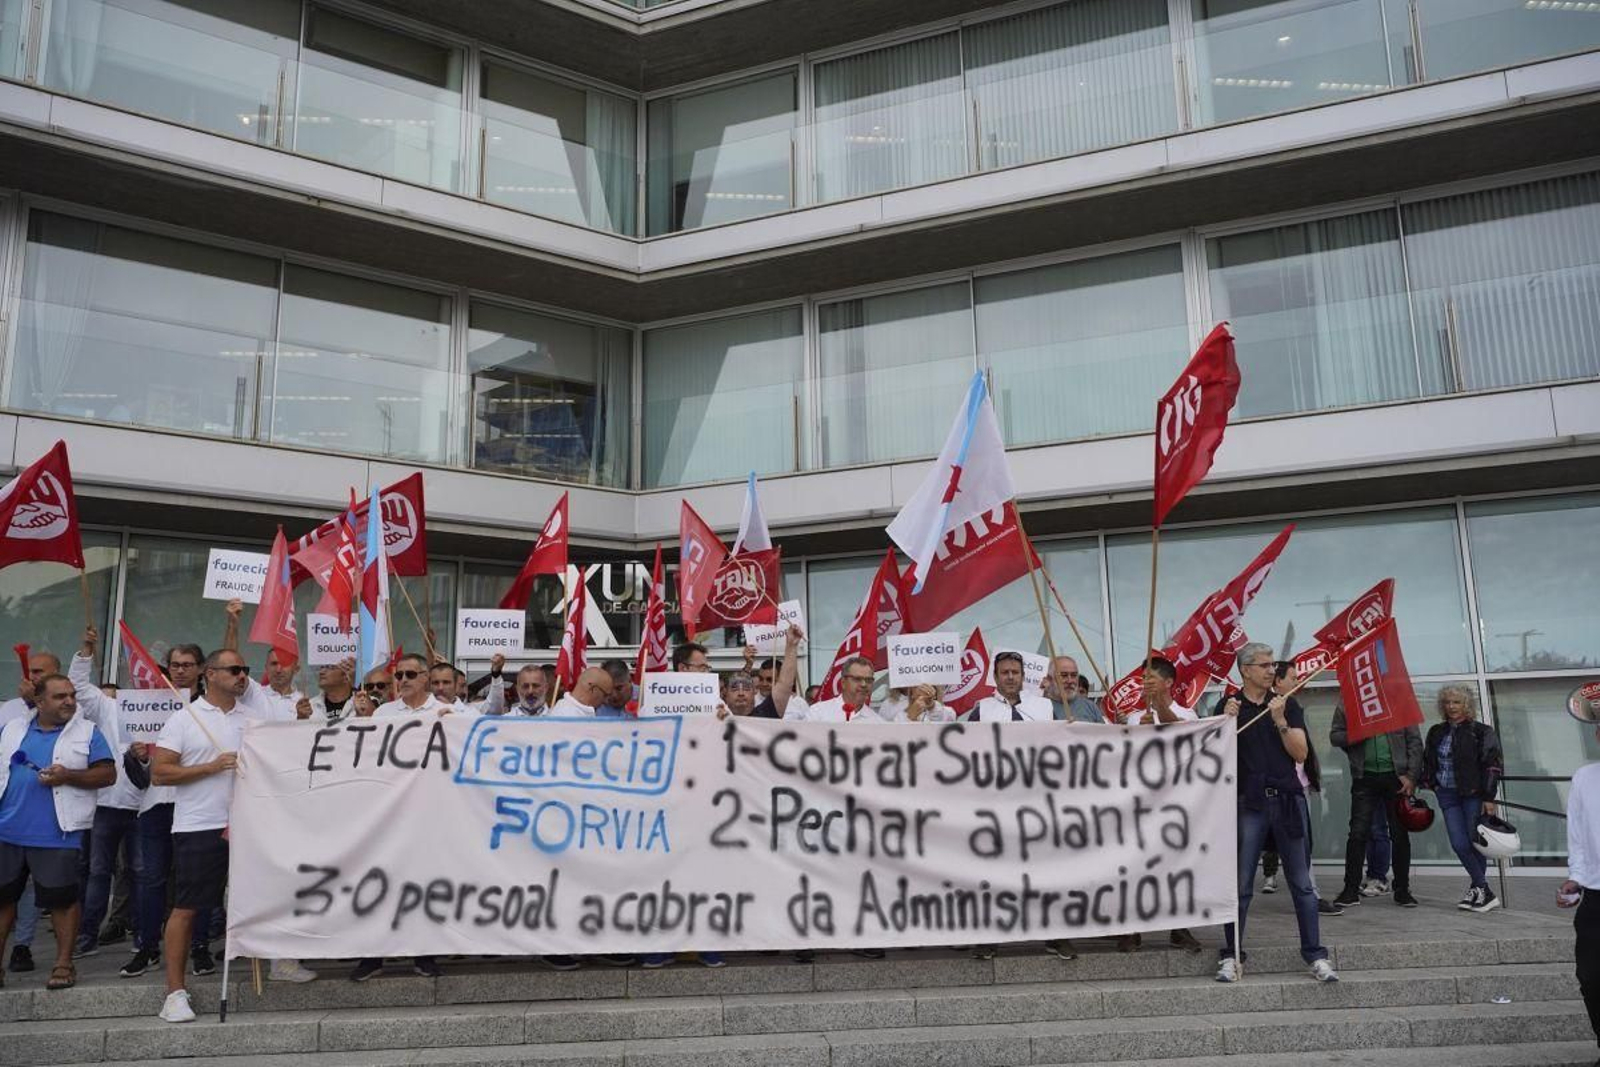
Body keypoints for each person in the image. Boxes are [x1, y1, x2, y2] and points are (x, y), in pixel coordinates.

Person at [1216, 643, 1337, 984]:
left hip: (1287, 800)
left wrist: (1280, 720)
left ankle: (1315, 954)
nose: (1272, 670)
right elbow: (1214, 755)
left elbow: (1300, 754)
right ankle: (1232, 955)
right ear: (1246, 670)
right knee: (1240, 885)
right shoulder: (1230, 705)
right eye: (1264, 665)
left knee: (1301, 883)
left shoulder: (1288, 703)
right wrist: (1224, 721)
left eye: (1272, 664)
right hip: (1247, 803)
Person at [150, 650, 252, 1022]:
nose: (242, 676)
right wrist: (211, 767)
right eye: (235, 670)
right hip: (199, 825)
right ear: (210, 674)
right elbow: (160, 773)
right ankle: (174, 993)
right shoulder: (184, 718)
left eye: (245, 670)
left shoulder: (251, 718)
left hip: (249, 823)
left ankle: (280, 962)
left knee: (257, 896)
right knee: (188, 906)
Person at [0, 674, 116, 990]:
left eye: (71, 695)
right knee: (2, 900)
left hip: (57, 833)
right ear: (39, 702)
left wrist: (68, 776)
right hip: (7, 831)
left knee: (62, 902)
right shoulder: (11, 728)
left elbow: (108, 775)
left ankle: (64, 964)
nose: (68, 701)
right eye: (59, 696)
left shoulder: (88, 732)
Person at [354, 653, 446, 981]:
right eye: (399, 675)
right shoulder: (384, 713)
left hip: (431, 815)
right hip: (389, 813)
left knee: (423, 885)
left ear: (425, 677)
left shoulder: (448, 712)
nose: (402, 680)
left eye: (409, 674)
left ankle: (425, 953)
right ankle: (374, 954)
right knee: (382, 881)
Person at [122, 641, 209, 980]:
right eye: (175, 664)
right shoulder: (148, 706)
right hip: (155, 805)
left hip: (195, 805)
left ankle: (199, 946)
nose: (180, 670)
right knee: (150, 878)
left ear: (201, 669)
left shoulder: (209, 708)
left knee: (197, 880)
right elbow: (138, 778)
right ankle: (147, 948)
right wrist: (141, 756)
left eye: (188, 664)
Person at [1113, 656, 1203, 955]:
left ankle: (1179, 927)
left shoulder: (1186, 712)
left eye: (1152, 679)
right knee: (1135, 865)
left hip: (1176, 803)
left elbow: (1183, 734)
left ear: (1168, 683)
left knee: (1175, 866)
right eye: (1144, 679)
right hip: (1141, 803)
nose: (1146, 684)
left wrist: (1160, 711)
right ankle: (1132, 927)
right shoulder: (1136, 718)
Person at [66, 627, 147, 960]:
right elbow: (79, 686)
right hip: (107, 804)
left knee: (142, 872)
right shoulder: (108, 707)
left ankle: (143, 934)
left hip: (145, 806)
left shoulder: (161, 709)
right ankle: (87, 934)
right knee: (100, 872)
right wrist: (86, 649)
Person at [0, 648, 63, 973]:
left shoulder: (71, 712)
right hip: (9, 820)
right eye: (31, 671)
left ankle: (22, 945)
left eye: (41, 673)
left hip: (51, 823)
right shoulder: (8, 711)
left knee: (38, 892)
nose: (33, 677)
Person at [1421, 685, 1504, 913]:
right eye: (1447, 702)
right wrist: (1432, 783)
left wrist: (1489, 796)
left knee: (1473, 841)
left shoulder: (1481, 731)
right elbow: (1428, 760)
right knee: (1459, 843)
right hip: (1447, 793)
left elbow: (1493, 765)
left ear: (1466, 705)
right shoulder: (1436, 731)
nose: (1451, 707)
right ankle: (1482, 890)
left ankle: (1479, 890)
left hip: (1472, 794)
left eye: (1456, 702)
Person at [1330, 702, 1421, 909]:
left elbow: (1415, 742)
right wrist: (1358, 733)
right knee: (1357, 834)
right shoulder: (1349, 702)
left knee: (1399, 834)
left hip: (1397, 778)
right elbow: (1335, 736)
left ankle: (1402, 890)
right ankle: (1350, 890)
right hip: (1364, 777)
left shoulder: (1399, 701)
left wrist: (1411, 777)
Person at [1558, 702, 1599, 1059]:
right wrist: (1577, 877)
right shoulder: (1585, 777)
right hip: (1597, 898)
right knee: (1590, 976)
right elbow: (1579, 834)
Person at [786, 657, 893, 723]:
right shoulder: (818, 713)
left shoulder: (877, 723)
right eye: (857, 679)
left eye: (869, 680)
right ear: (843, 682)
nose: (864, 684)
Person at [972, 652, 1053, 722]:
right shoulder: (982, 710)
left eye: (1015, 672)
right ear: (995, 677)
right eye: (1005, 672)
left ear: (1023, 676)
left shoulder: (1045, 706)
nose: (1010, 677)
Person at [1125, 656, 1198, 726]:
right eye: (1144, 677)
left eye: (1151, 677)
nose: (1145, 682)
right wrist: (1143, 730)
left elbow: (1180, 730)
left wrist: (1157, 699)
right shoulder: (1134, 719)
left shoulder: (1188, 715)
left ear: (1168, 682)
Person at [1046, 656, 1104, 723]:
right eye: (1064, 675)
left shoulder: (1091, 707)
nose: (1070, 681)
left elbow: (1105, 733)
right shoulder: (1039, 707)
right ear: (1050, 679)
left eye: (1073, 675)